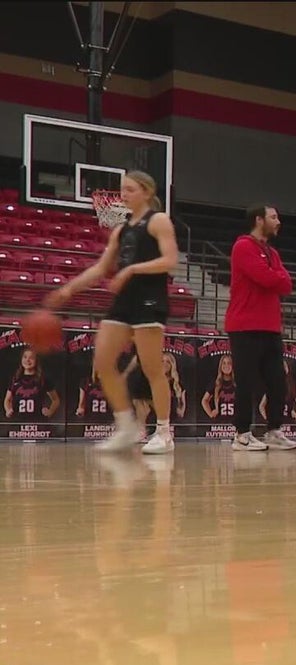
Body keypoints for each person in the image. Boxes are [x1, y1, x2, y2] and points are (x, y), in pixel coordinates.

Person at [44, 170, 176, 454]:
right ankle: (126, 426)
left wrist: (131, 269)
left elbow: (170, 260)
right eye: (122, 189)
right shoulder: (122, 230)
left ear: (147, 192)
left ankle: (164, 432)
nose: (124, 194)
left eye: (130, 189)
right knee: (103, 362)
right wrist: (69, 288)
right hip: (124, 302)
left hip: (149, 300)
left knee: (152, 369)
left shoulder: (159, 221)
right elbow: (101, 268)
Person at [225, 203, 296, 452]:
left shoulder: (272, 253)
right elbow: (266, 278)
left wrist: (275, 276)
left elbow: (287, 285)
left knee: (278, 382)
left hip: (270, 326)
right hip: (245, 325)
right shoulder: (243, 246)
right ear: (259, 220)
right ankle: (242, 435)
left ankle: (274, 430)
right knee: (246, 382)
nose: (278, 222)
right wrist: (276, 276)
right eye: (273, 217)